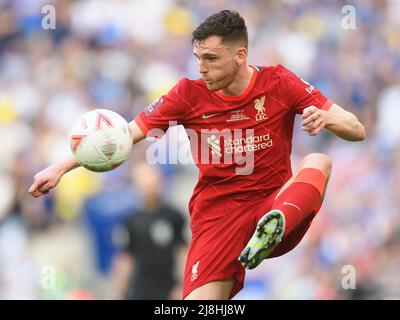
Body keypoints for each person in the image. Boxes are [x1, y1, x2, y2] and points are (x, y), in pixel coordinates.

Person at [29, 10, 366, 300]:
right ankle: (267, 231)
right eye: (198, 59)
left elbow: (356, 128)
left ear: (240, 55)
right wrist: (60, 168)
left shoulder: (279, 82)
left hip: (274, 203)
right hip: (217, 219)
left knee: (319, 162)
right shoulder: (187, 94)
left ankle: (272, 228)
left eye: (211, 59)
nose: (202, 68)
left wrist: (328, 118)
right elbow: (125, 135)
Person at [111, 162, 188, 300]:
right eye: (144, 185)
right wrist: (119, 291)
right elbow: (125, 258)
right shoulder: (131, 220)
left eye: (153, 183)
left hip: (168, 287)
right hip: (138, 288)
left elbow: (183, 252)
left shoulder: (174, 216)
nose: (149, 188)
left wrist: (182, 285)